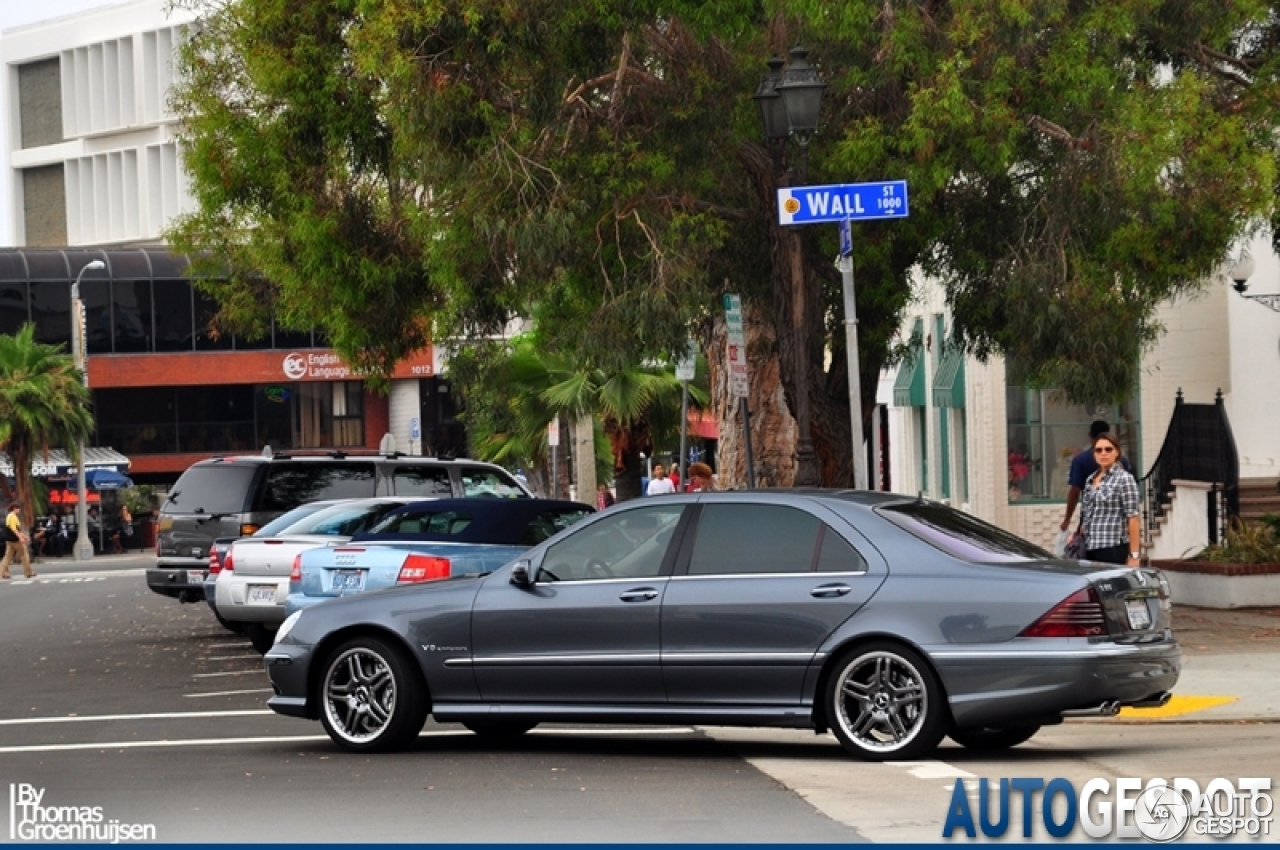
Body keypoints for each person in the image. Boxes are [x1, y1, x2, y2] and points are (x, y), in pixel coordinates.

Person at [1076, 432, 1141, 566]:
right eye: (1098, 450)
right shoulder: (1090, 479)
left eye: (1108, 449)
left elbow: (1133, 518)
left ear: (1116, 452)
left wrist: (1134, 555)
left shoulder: (1124, 479)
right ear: (1094, 454)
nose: (1103, 453)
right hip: (1090, 548)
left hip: (1113, 548)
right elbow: (1086, 514)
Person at [1060, 420, 1131, 532]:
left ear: (1090, 436)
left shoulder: (1081, 460)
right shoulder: (1121, 460)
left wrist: (1067, 519)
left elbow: (1075, 491)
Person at [0, 503, 35, 579]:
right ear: (14, 508)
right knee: (24, 556)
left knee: (7, 557)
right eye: (18, 509)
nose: (19, 510)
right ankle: (28, 572)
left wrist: (24, 536)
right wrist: (21, 538)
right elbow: (14, 529)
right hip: (16, 541)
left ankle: (3, 573)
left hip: (9, 541)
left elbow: (16, 530)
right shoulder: (12, 516)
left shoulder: (9, 516)